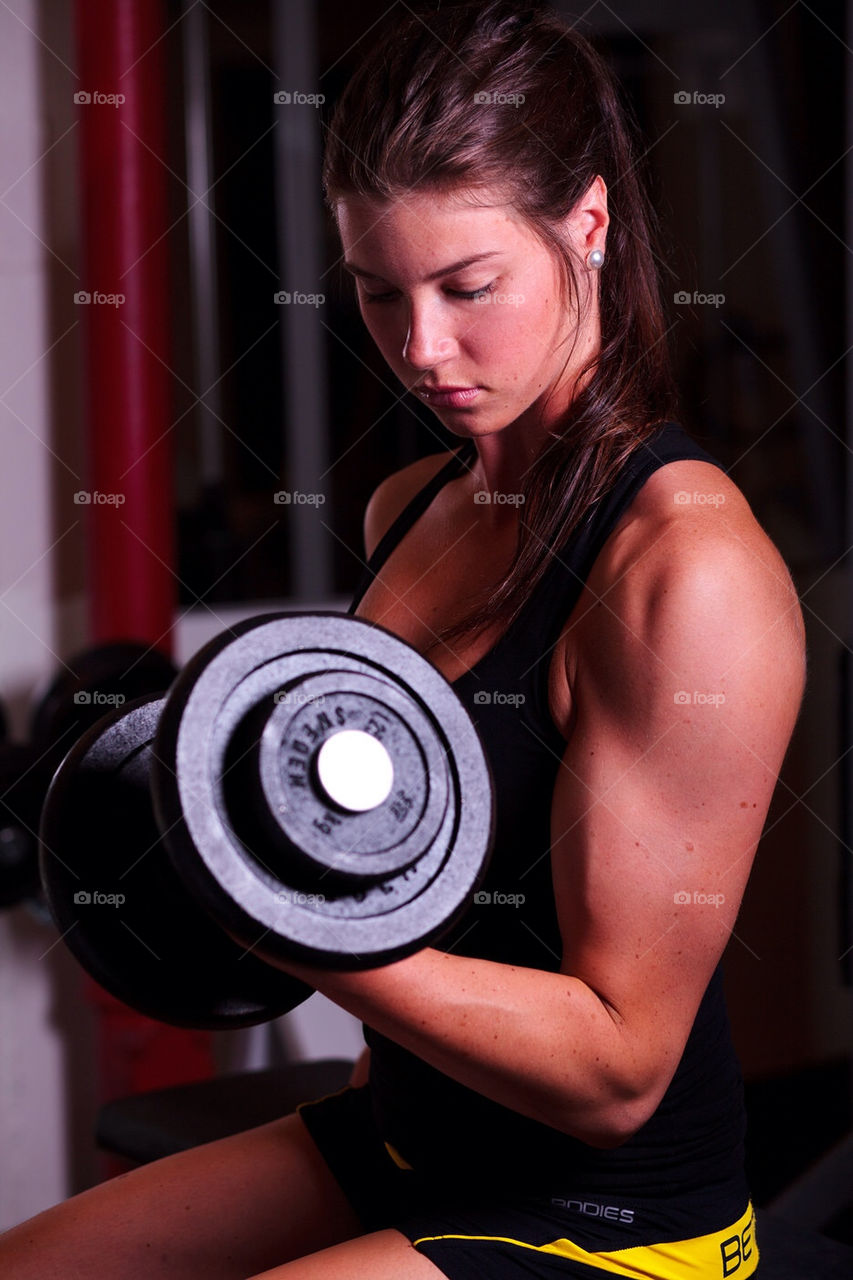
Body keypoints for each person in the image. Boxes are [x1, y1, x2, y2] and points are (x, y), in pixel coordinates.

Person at [0, 2, 805, 1276]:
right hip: (406, 1133)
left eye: (468, 287)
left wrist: (279, 920)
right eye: (378, 292)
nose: (424, 350)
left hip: (608, 1223)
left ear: (587, 225)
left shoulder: (684, 569)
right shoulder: (411, 506)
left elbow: (617, 1069)